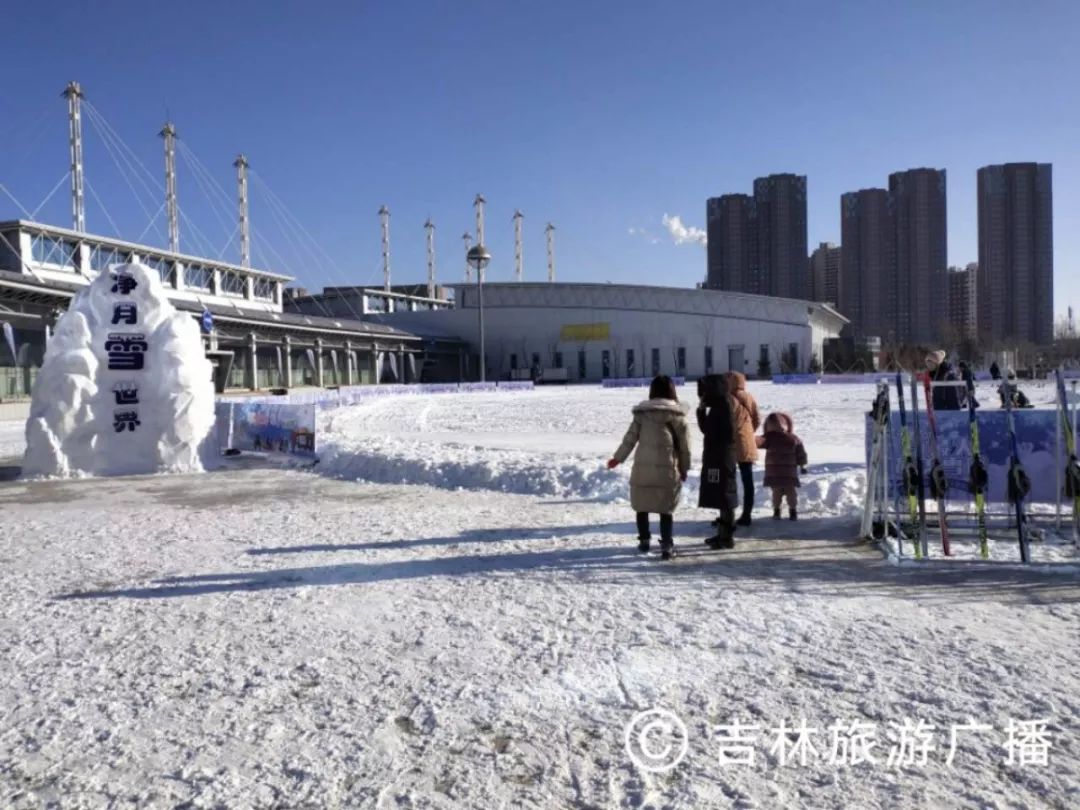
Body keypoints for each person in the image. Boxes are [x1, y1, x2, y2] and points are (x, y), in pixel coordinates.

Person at [608, 375, 691, 560]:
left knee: (642, 506)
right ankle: (667, 545)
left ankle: (644, 541)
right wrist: (684, 468)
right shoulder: (678, 417)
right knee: (666, 508)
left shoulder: (642, 415)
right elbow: (685, 447)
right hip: (667, 470)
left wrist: (617, 459)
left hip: (642, 470)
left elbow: (629, 439)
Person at [696, 374, 738, 549]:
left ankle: (726, 537)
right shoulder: (718, 406)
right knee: (721, 495)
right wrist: (701, 412)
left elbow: (726, 434)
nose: (702, 394)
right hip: (716, 457)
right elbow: (708, 429)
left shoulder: (723, 406)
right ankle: (723, 533)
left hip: (721, 458)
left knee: (725, 495)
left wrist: (716, 445)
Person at [756, 412, 808, 520]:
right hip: (790, 474)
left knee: (776, 493)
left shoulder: (769, 437)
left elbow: (757, 442)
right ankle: (793, 511)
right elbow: (801, 453)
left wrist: (746, 437)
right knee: (791, 493)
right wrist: (803, 465)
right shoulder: (794, 438)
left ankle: (776, 511)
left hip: (774, 473)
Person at [724, 371, 761, 526]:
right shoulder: (749, 397)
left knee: (728, 481)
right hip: (747, 443)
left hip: (731, 444)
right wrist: (749, 432)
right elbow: (757, 418)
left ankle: (728, 514)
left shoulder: (728, 399)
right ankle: (747, 514)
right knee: (748, 481)